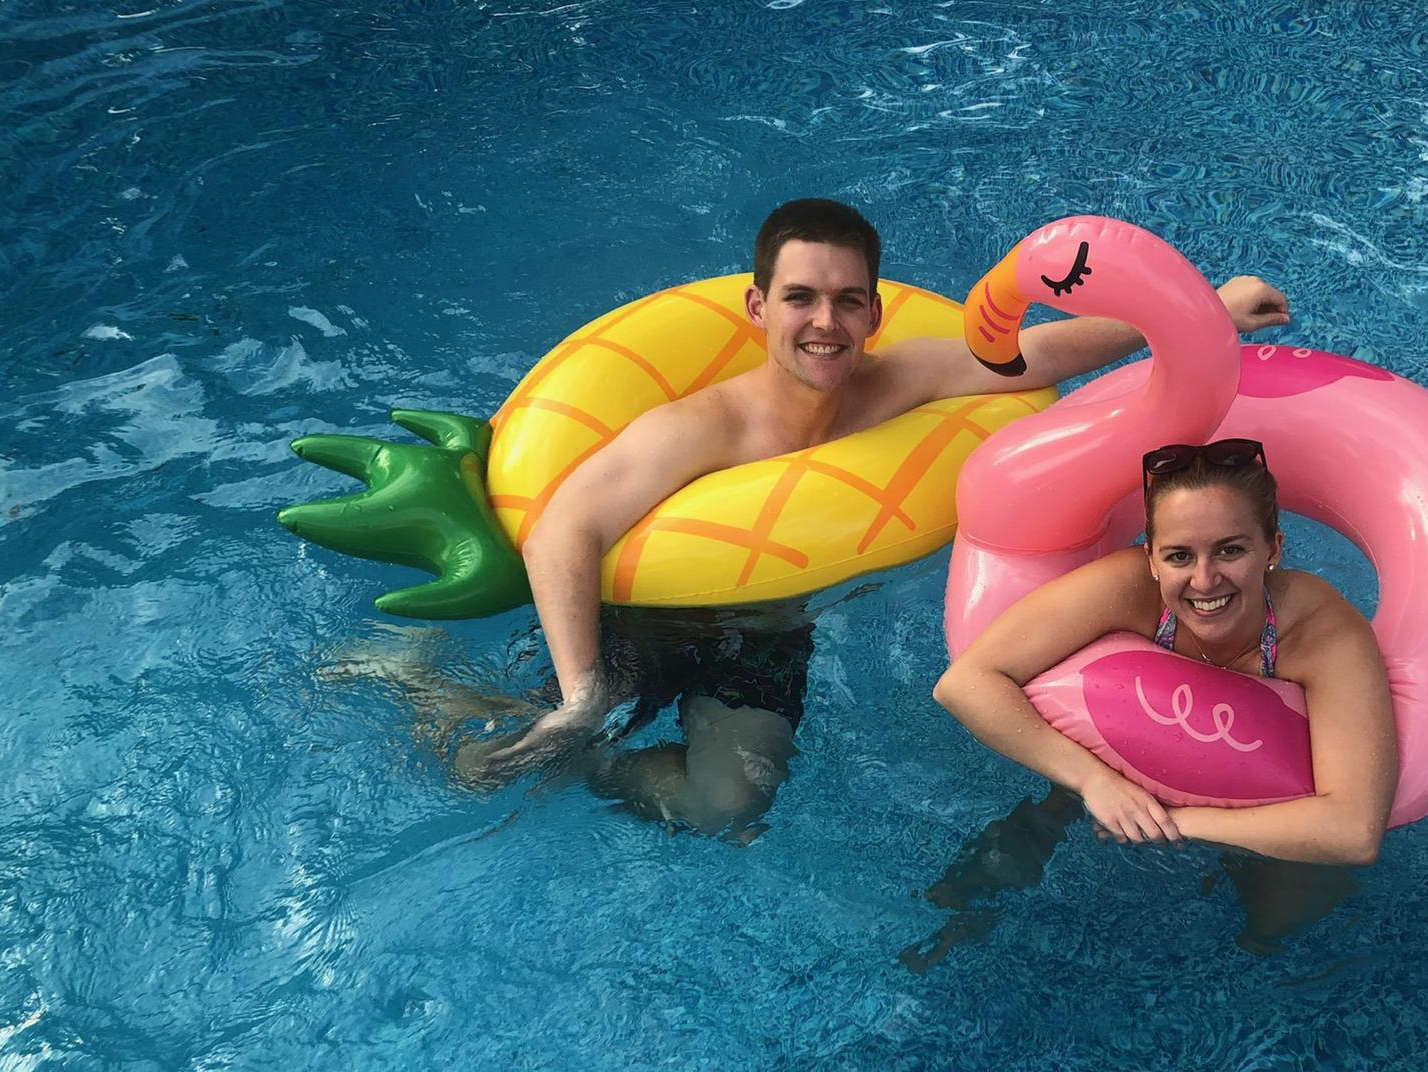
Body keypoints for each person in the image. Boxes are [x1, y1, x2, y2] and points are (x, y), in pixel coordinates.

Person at [480, 198, 1291, 837]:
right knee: (488, 765)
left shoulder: (900, 376)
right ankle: (447, 692)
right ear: (759, 308)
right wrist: (582, 699)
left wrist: (1203, 313)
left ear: (873, 314)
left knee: (725, 806)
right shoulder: (702, 428)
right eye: (800, 299)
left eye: (846, 302)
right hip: (647, 620)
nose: (825, 324)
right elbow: (565, 527)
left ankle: (604, 770)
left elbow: (1038, 355)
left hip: (768, 626)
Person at [920, 437, 1397, 947]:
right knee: (1019, 843)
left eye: (1231, 550)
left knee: (1275, 926)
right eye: (1178, 556)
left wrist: (1171, 820)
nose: (1204, 579)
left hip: (1257, 796)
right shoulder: (1128, 588)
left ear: (1273, 548)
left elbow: (1354, 829)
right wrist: (1093, 781)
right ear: (1150, 558)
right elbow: (966, 683)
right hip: (1115, 761)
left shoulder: (1324, 634)